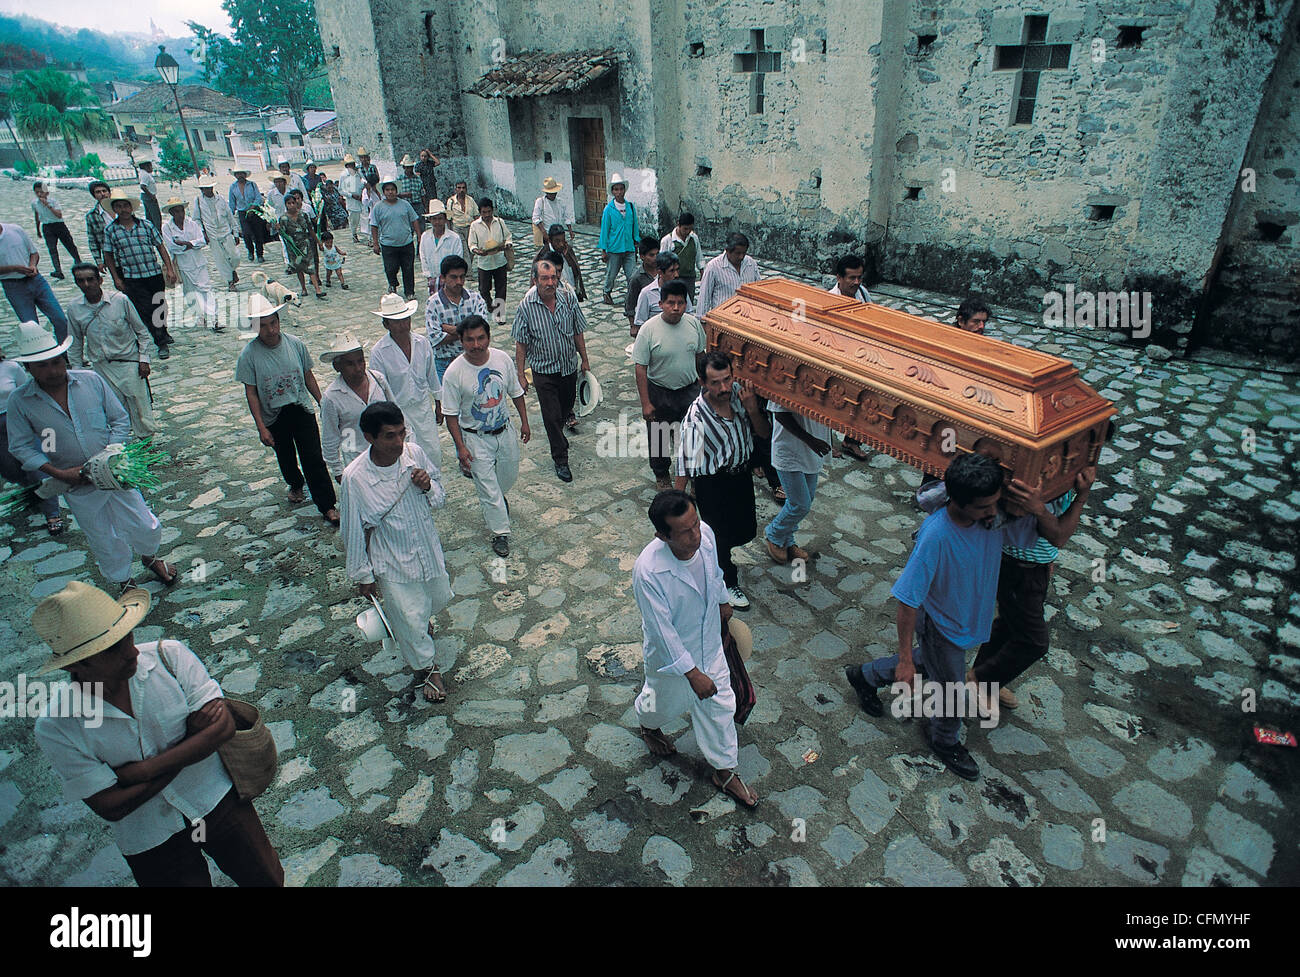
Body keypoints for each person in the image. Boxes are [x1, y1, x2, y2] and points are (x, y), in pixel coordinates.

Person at [31, 581, 284, 887]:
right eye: (113, 648)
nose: (132, 651)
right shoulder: (57, 726)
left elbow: (223, 727)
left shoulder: (170, 657)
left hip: (216, 801)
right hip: (150, 839)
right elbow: (111, 805)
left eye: (128, 637)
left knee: (266, 879)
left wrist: (142, 771)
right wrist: (191, 744)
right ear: (78, 665)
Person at [843, 452, 1057, 781]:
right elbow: (907, 600)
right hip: (942, 625)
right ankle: (944, 739)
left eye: (995, 504)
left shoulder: (991, 519)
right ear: (958, 501)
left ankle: (866, 675)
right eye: (984, 507)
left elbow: (1047, 535)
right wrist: (903, 659)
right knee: (952, 690)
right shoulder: (936, 535)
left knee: (932, 663)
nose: (992, 514)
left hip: (966, 620)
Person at [6, 322, 177, 589]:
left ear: (64, 358)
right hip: (74, 483)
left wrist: (110, 456)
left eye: (55, 362)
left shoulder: (90, 381)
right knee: (103, 537)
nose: (52, 370)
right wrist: (59, 473)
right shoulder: (21, 401)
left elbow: (119, 419)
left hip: (114, 471)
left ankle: (149, 556)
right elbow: (21, 446)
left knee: (144, 524)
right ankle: (124, 581)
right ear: (28, 369)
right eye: (41, 366)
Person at [632, 489, 757, 809]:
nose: (695, 535)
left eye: (696, 524)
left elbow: (715, 573)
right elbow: (662, 631)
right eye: (685, 531)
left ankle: (725, 771)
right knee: (661, 703)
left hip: (710, 641)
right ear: (662, 535)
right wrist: (691, 673)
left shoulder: (707, 535)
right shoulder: (648, 571)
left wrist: (722, 601)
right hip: (672, 656)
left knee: (720, 705)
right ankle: (647, 724)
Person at [341, 401, 453, 703]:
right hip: (391, 560)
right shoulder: (355, 478)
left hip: (426, 549)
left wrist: (429, 485)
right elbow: (352, 529)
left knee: (436, 598)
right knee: (410, 614)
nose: (399, 443)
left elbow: (440, 499)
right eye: (390, 436)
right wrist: (362, 574)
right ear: (370, 438)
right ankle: (428, 669)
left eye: (402, 433)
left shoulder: (414, 454)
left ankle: (413, 628)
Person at [673, 352, 770, 610]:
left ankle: (712, 565)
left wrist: (752, 409)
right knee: (719, 537)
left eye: (727, 379)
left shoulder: (740, 396)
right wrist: (676, 502)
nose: (724, 388)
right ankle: (727, 582)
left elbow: (763, 433)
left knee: (745, 529)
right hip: (714, 484)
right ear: (702, 382)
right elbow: (686, 461)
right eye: (715, 382)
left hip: (741, 477)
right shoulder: (696, 418)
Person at [234, 294, 339, 524]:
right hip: (274, 414)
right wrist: (261, 427)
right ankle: (295, 483)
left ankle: (327, 505)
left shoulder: (295, 344)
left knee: (313, 457)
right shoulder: (249, 356)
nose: (270, 330)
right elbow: (251, 392)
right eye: (263, 326)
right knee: (286, 456)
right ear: (255, 328)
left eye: (273, 323)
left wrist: (322, 401)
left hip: (300, 407)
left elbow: (307, 375)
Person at [441, 315, 530, 557]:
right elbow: (450, 414)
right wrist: (460, 447)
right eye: (470, 340)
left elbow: (516, 392)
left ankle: (497, 500)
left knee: (507, 476)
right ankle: (500, 532)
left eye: (481, 338)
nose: (476, 345)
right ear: (461, 341)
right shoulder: (454, 373)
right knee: (488, 489)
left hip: (504, 431)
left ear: (488, 337)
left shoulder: (501, 359)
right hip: (475, 437)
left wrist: (524, 422)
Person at [512, 255, 589, 483]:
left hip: (567, 367)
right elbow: (521, 342)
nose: (550, 283)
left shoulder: (567, 297)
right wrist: (520, 374)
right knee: (551, 416)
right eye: (544, 278)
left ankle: (560, 433)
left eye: (553, 277)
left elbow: (577, 330)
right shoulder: (526, 305)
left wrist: (584, 359)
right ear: (534, 280)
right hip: (544, 371)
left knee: (565, 409)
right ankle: (560, 458)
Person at [66, 263, 157, 438]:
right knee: (114, 411)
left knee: (140, 409)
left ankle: (147, 444)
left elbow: (142, 332)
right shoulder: (74, 308)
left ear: (99, 280)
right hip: (102, 367)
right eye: (81, 281)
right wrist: (77, 373)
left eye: (90, 279)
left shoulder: (120, 301)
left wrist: (144, 359)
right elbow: (75, 342)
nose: (86, 284)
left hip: (128, 363)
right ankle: (123, 448)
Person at [634, 280, 705, 491]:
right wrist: (646, 403)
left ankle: (693, 475)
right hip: (659, 392)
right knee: (659, 437)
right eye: (671, 302)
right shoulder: (648, 330)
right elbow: (640, 368)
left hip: (689, 391)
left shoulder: (693, 325)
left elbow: (701, 356)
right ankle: (662, 474)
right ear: (661, 303)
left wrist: (704, 390)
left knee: (693, 436)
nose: (676, 308)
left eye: (681, 303)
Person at [369, 293, 442, 476]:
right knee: (406, 456)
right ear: (386, 324)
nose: (403, 325)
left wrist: (439, 403)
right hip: (398, 412)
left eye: (405, 319)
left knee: (432, 452)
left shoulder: (422, 343)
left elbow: (432, 376)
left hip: (422, 407)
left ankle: (434, 489)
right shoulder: (379, 352)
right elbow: (379, 389)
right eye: (397, 321)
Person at [102, 189, 179, 359]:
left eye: (125, 206)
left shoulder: (146, 225)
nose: (123, 210)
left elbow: (160, 246)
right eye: (119, 206)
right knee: (146, 309)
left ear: (131, 208)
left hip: (153, 273)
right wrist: (116, 278)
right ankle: (160, 342)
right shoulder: (111, 231)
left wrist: (170, 268)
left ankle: (163, 331)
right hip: (132, 277)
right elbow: (108, 254)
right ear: (114, 209)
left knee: (160, 305)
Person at [0, 332, 62, 533]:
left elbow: (26, 391)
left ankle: (52, 513)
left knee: (37, 465)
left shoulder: (10, 367)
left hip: (16, 418)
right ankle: (35, 492)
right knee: (9, 469)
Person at [318, 332, 394, 480]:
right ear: (337, 366)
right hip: (357, 463)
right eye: (350, 364)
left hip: (388, 455)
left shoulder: (378, 380)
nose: (358, 368)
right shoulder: (332, 397)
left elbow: (395, 414)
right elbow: (330, 437)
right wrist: (338, 471)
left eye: (360, 361)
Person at [763, 402, 831, 564]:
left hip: (812, 449)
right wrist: (811, 440)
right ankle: (774, 533)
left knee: (806, 498)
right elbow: (780, 414)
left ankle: (788, 540)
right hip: (789, 449)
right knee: (800, 504)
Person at [828, 254, 872, 460]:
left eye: (859, 277)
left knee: (862, 400)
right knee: (828, 402)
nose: (856, 282)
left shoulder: (863, 293)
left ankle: (851, 441)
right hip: (836, 358)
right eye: (851, 278)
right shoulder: (827, 300)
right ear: (839, 277)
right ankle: (827, 443)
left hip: (859, 356)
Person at [0, 220, 70, 343]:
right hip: (12, 285)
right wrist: (14, 268)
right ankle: (42, 358)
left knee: (60, 319)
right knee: (31, 328)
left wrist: (33, 266)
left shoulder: (15, 229)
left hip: (36, 280)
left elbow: (34, 253)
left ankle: (66, 355)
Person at [426, 254, 489, 382]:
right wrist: (468, 333)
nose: (459, 282)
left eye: (462, 277)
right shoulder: (433, 303)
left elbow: (482, 332)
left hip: (472, 359)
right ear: (443, 278)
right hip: (445, 362)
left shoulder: (475, 299)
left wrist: (447, 328)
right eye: (454, 277)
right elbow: (435, 338)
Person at [162, 198, 218, 331]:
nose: (180, 214)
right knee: (190, 291)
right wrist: (190, 245)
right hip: (182, 264)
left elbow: (202, 241)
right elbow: (171, 246)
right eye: (176, 211)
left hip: (198, 262)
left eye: (181, 210)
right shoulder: (167, 228)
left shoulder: (192, 224)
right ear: (171, 213)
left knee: (205, 289)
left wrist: (188, 244)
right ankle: (200, 315)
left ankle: (213, 318)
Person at [370, 181, 421, 300]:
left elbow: (414, 220)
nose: (390, 192)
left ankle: (409, 291)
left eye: (392, 189)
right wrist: (375, 243)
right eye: (387, 190)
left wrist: (419, 236)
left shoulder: (405, 205)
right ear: (383, 192)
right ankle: (392, 284)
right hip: (388, 244)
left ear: (396, 191)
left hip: (406, 242)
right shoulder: (378, 207)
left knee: (408, 268)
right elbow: (374, 225)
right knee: (390, 267)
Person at [192, 175, 241, 292]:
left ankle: (232, 270)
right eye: (205, 188)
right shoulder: (198, 201)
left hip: (225, 231)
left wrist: (236, 233)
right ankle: (230, 282)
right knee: (220, 259)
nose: (208, 190)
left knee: (235, 256)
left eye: (209, 187)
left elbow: (230, 216)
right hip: (211, 233)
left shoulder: (221, 199)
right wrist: (203, 233)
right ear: (201, 190)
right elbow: (197, 219)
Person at [597, 174, 639, 305]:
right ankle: (606, 291)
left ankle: (632, 296)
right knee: (612, 274)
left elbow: (635, 226)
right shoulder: (609, 210)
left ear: (624, 190)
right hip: (614, 248)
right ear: (613, 191)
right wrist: (603, 250)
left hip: (629, 247)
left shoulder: (630, 207)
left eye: (621, 189)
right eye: (616, 189)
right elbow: (605, 230)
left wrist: (636, 241)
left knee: (632, 275)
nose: (619, 192)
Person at [468, 199, 512, 322]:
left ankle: (499, 314)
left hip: (499, 260)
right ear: (480, 212)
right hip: (484, 262)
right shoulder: (475, 225)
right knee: (483, 289)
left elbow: (508, 237)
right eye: (484, 212)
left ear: (492, 210)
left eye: (489, 212)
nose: (487, 215)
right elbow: (472, 244)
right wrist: (477, 251)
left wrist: (507, 244)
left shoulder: (499, 222)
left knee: (501, 288)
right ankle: (489, 304)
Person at [697, 232, 761, 316]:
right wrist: (702, 322)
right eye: (738, 253)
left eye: (744, 253)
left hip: (747, 317)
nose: (741, 257)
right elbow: (704, 298)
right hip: (722, 318)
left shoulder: (751, 264)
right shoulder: (713, 267)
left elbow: (759, 290)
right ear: (728, 251)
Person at [279, 190, 326, 300]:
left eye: (293, 202)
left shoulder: (303, 215)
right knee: (299, 267)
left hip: (305, 244)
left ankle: (317, 289)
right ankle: (303, 288)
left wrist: (318, 241)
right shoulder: (283, 219)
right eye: (288, 203)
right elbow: (282, 233)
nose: (291, 205)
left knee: (311, 266)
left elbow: (310, 229)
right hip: (294, 247)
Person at [633, 251, 695, 331]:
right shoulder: (646, 293)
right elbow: (640, 323)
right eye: (672, 271)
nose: (676, 275)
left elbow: (689, 314)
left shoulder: (682, 291)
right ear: (660, 272)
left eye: (677, 270)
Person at [32, 182, 80, 279]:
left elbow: (59, 215)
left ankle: (78, 262)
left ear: (47, 193)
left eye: (42, 192)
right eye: (37, 192)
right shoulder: (34, 203)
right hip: (47, 227)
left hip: (59, 225)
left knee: (70, 245)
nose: (39, 195)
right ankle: (58, 271)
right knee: (52, 249)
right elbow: (37, 216)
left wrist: (48, 205)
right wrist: (38, 230)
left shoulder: (53, 202)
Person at [418, 201, 464, 295]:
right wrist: (428, 276)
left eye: (440, 218)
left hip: (451, 279)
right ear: (430, 220)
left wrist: (451, 277)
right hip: (433, 278)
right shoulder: (425, 236)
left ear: (445, 219)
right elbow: (423, 257)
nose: (437, 222)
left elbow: (458, 259)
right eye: (434, 219)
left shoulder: (454, 238)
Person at [660, 213, 704, 302]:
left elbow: (699, 257)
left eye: (690, 229)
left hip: (689, 277)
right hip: (673, 278)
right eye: (685, 229)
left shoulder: (694, 238)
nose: (687, 232)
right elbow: (662, 262)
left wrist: (702, 271)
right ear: (678, 225)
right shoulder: (667, 240)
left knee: (688, 302)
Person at [537, 224, 586, 302]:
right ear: (550, 240)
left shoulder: (567, 250)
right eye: (557, 241)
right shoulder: (543, 255)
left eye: (563, 240)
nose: (561, 244)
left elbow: (575, 270)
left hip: (569, 293)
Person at [624, 236, 660, 340]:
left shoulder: (663, 272)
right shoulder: (637, 278)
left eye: (657, 254)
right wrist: (633, 325)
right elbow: (630, 304)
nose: (655, 258)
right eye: (651, 255)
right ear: (642, 256)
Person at [228, 167, 266, 263]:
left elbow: (258, 198)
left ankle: (260, 254)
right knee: (246, 233)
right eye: (238, 174)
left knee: (258, 234)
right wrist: (230, 216)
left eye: (242, 173)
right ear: (235, 175)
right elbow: (232, 203)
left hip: (254, 211)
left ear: (245, 174)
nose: (240, 176)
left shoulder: (252, 185)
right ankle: (250, 251)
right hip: (242, 212)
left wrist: (252, 207)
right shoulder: (233, 187)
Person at [532, 177, 573, 249]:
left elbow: (567, 217)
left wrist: (570, 231)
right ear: (546, 193)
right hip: (547, 232)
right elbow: (535, 218)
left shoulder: (560, 202)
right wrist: (544, 233)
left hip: (559, 233)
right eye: (551, 193)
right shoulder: (540, 202)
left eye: (554, 193)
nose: (553, 195)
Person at [84, 180, 114, 275]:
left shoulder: (123, 208)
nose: (102, 194)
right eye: (98, 192)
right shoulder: (92, 216)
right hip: (111, 256)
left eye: (104, 191)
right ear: (94, 196)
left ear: (109, 192)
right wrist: (99, 261)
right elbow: (93, 241)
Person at [340, 155, 367, 244]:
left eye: (352, 164)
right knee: (353, 220)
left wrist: (362, 191)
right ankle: (354, 234)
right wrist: (351, 195)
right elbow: (341, 190)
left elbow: (364, 181)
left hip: (361, 199)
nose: (351, 166)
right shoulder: (344, 175)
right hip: (351, 201)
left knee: (365, 218)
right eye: (349, 164)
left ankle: (368, 236)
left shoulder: (357, 173)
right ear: (346, 166)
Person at [445, 180, 476, 254]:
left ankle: (467, 265)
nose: (461, 190)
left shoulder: (470, 200)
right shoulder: (451, 201)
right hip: (458, 229)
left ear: (466, 189)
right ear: (455, 189)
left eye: (463, 188)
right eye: (459, 188)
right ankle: (467, 265)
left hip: (470, 228)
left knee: (471, 251)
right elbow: (448, 219)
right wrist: (450, 233)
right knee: (464, 251)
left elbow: (476, 215)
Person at [137, 158, 162, 230]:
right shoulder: (145, 175)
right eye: (150, 166)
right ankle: (157, 230)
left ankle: (152, 230)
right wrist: (151, 195)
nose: (152, 168)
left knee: (150, 216)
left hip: (146, 196)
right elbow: (143, 186)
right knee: (155, 216)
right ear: (146, 166)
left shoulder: (143, 173)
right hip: (149, 197)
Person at [415, 148, 441, 217]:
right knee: (426, 201)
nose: (423, 158)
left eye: (425, 156)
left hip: (431, 184)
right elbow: (418, 177)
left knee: (433, 199)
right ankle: (428, 215)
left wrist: (430, 154)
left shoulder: (430, 163)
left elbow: (438, 162)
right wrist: (421, 187)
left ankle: (434, 213)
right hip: (424, 185)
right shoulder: (418, 165)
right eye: (422, 156)